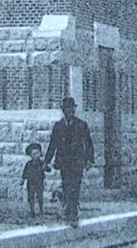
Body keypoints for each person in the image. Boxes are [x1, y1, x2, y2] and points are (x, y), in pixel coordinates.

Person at [44, 96, 94, 226]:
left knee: (75, 184)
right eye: (67, 109)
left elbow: (88, 143)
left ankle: (72, 210)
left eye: (72, 109)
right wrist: (46, 161)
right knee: (66, 184)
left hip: (78, 160)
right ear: (63, 110)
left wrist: (90, 160)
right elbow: (52, 144)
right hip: (64, 161)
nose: (70, 112)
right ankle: (68, 208)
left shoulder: (81, 125)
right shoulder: (58, 126)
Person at [20, 142, 48, 217]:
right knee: (31, 197)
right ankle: (32, 211)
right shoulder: (28, 164)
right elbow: (25, 172)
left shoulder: (41, 163)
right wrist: (23, 180)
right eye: (34, 154)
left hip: (39, 182)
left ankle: (41, 210)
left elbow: (48, 169)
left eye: (38, 153)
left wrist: (45, 167)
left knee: (40, 197)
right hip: (31, 183)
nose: (37, 155)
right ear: (31, 156)